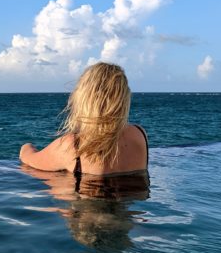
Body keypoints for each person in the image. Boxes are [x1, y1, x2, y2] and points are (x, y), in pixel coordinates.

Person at [19, 62, 149, 176]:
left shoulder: (73, 146)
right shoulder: (140, 135)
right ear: (123, 98)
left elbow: (29, 158)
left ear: (84, 98)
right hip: (126, 202)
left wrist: (26, 146)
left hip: (85, 203)